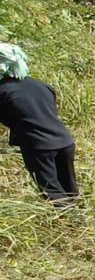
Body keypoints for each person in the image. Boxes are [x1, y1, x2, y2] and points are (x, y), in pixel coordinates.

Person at [0, 43, 79, 205]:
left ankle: (72, 226)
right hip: (65, 141)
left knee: (53, 193)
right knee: (70, 189)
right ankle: (80, 219)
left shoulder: (2, 91)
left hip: (39, 147)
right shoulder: (41, 85)